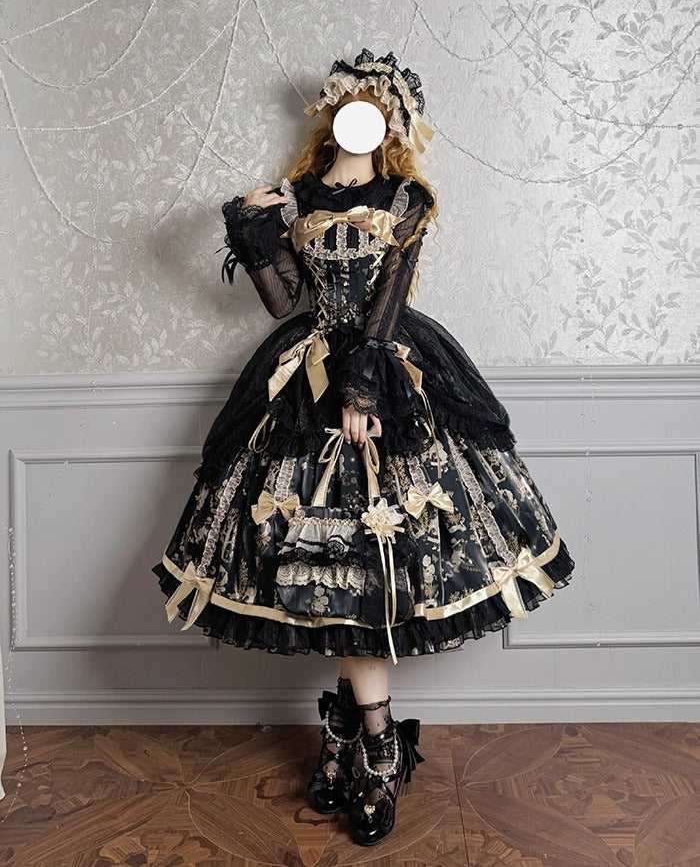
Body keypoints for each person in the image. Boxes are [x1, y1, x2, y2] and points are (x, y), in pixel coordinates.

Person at [151, 48, 575, 847]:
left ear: (391, 122)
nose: (361, 117)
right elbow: (284, 299)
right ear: (332, 113)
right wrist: (252, 226)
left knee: (374, 571)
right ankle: (360, 742)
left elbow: (386, 303)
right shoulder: (301, 195)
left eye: (377, 109)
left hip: (385, 377)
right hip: (303, 382)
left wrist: (362, 389)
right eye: (351, 105)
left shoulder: (406, 198)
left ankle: (367, 749)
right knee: (341, 579)